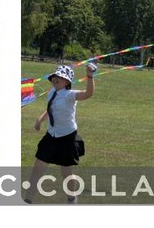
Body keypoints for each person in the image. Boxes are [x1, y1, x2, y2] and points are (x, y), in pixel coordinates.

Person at [25, 63, 96, 203]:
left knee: (66, 172)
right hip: (51, 136)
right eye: (55, 76)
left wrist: (89, 76)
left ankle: (72, 199)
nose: (56, 79)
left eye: (61, 77)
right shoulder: (52, 92)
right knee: (37, 168)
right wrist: (40, 119)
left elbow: (88, 94)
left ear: (67, 82)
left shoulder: (70, 95)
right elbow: (50, 108)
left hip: (67, 138)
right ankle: (27, 201)